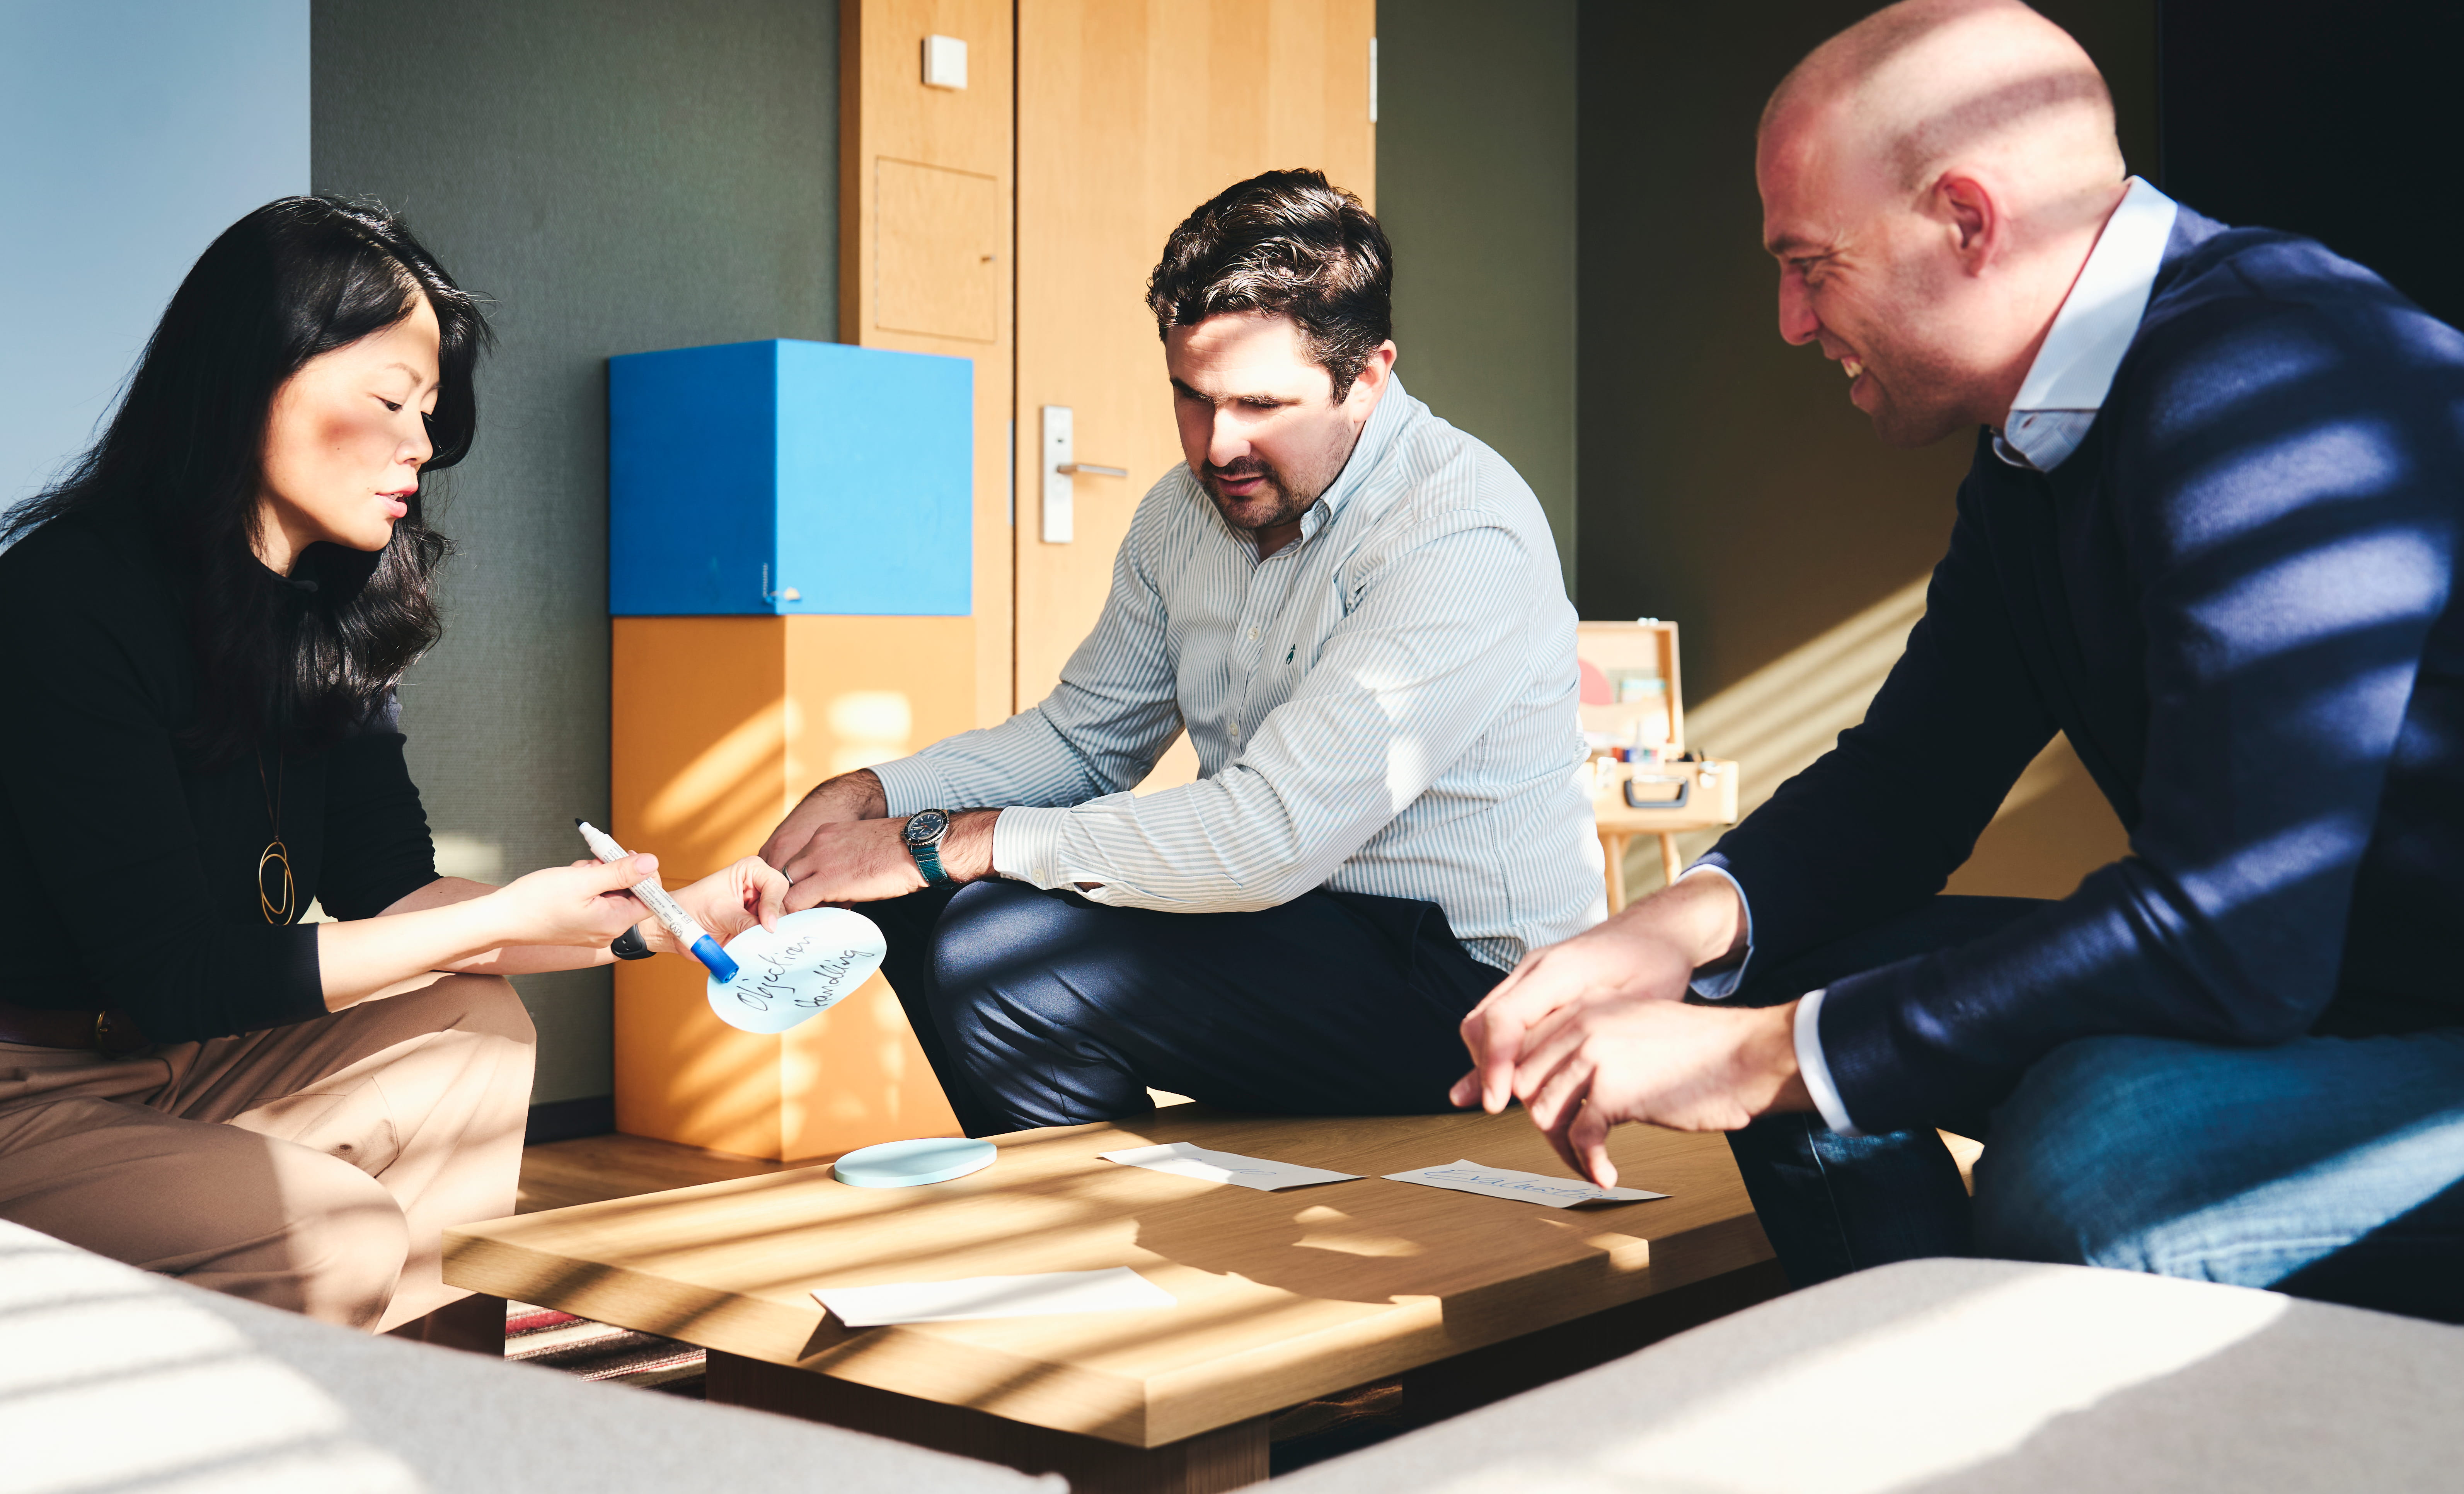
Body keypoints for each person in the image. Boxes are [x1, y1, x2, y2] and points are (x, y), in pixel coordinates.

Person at [1457, 0, 2464, 1322]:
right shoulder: (2035, 449)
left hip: (2395, 1008)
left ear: (1968, 222)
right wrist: (1658, 935)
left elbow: (2232, 933)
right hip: (2337, 981)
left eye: (1808, 265)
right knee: (1772, 965)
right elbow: (1906, 785)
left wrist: (1753, 1059)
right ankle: (1892, 1375)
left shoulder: (2274, 379)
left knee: (2093, 1159)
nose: (1787, 322)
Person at [0, 197, 785, 1350]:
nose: (420, 443)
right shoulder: (69, 599)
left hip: (178, 1062)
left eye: (428, 411)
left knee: (474, 1018)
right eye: (389, 401)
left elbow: (398, 895)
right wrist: (508, 915)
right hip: (30, 1087)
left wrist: (657, 925)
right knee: (336, 1237)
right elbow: (174, 974)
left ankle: (437, 1401)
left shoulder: (328, 620)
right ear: (253, 377)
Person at [760, 170, 1600, 1135]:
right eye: (1193, 399)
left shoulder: (1459, 529)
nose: (1218, 447)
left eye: (1260, 404)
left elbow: (1271, 836)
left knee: (990, 944)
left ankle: (1103, 1213)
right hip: (1298, 928)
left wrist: (949, 841)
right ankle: (1098, 1189)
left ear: (1366, 378)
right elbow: (1081, 745)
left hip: (1474, 990)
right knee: (909, 892)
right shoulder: (1180, 515)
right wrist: (871, 799)